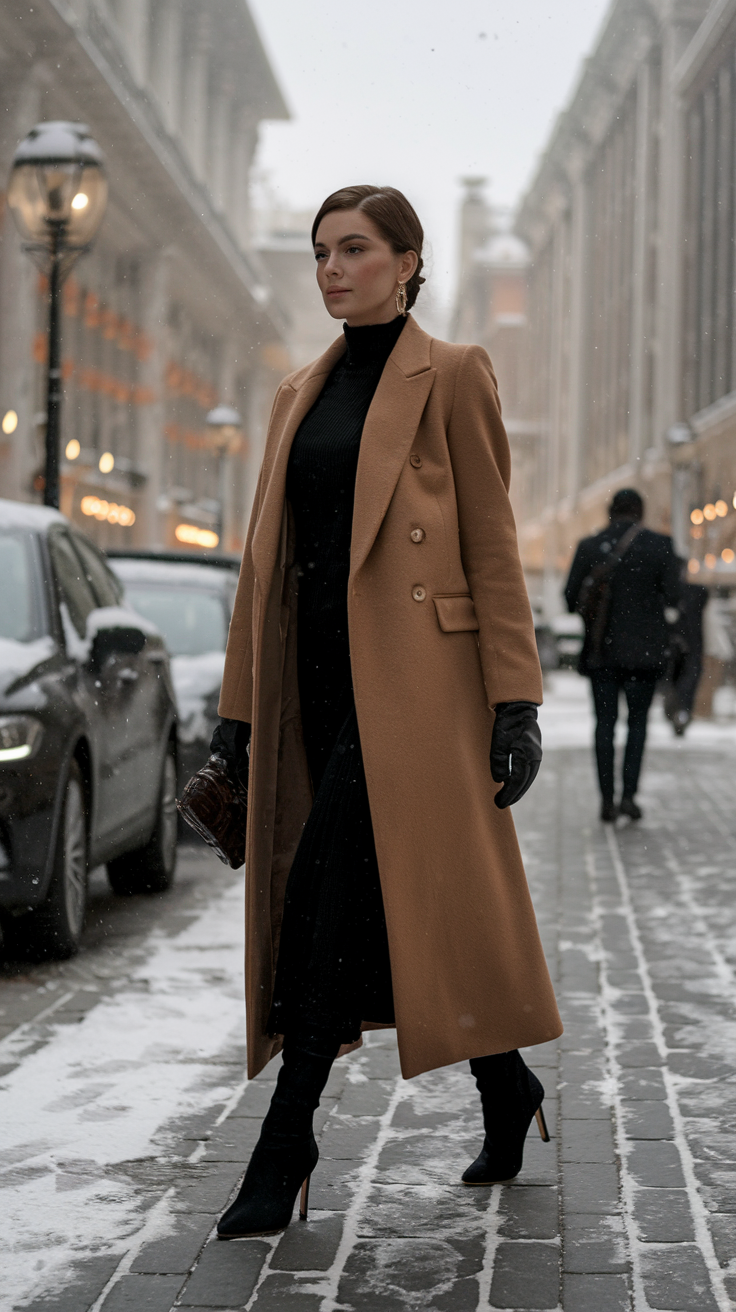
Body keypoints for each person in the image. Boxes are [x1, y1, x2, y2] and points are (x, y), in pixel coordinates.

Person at [207, 185, 562, 1239]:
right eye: (321, 251)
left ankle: (286, 1140)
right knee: (391, 906)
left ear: (408, 261)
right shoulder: (293, 394)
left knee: (321, 891)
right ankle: (505, 1088)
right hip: (313, 683)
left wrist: (515, 699)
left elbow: (491, 546)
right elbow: (263, 567)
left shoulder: (451, 374)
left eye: (354, 249)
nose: (330, 268)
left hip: (417, 690)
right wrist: (239, 714)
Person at [565, 488, 680, 822]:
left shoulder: (590, 547)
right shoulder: (660, 546)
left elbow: (570, 597)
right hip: (645, 654)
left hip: (602, 651)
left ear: (610, 512)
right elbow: (674, 598)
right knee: (638, 724)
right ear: (641, 513)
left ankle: (606, 800)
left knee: (604, 724)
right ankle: (629, 796)